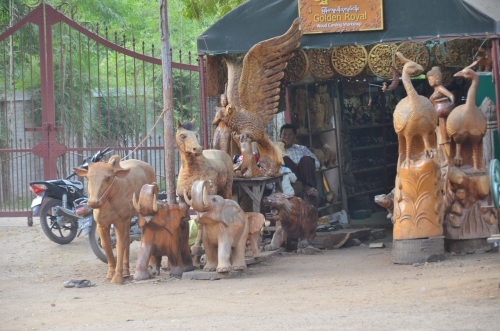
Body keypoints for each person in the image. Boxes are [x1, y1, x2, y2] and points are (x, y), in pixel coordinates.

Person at [278, 124, 320, 204]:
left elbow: (317, 163)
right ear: (280, 136)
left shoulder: (302, 149)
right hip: (290, 178)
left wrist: (302, 166)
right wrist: (279, 146)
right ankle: (306, 188)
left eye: (290, 134)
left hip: (305, 174)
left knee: (306, 159)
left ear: (294, 137)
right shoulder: (277, 150)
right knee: (285, 159)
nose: (286, 137)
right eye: (284, 134)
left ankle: (307, 186)